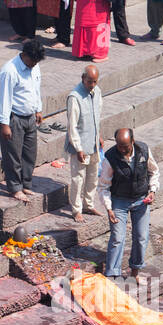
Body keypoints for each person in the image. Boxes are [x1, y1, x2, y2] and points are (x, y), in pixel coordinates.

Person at [100, 128, 159, 280]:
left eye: (125, 146)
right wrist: (108, 208)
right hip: (119, 201)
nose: (122, 150)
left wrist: (152, 191)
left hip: (141, 199)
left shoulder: (144, 150)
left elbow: (154, 172)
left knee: (141, 237)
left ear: (132, 142)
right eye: (119, 146)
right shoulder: (110, 157)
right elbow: (104, 186)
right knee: (117, 238)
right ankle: (112, 275)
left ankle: (135, 271)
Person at [0, 38, 45, 202]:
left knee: (30, 154)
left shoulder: (35, 66)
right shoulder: (9, 71)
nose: (34, 64)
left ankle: (26, 183)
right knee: (13, 156)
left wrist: (38, 108)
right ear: (24, 55)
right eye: (32, 61)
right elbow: (5, 99)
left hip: (29, 116)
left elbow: (36, 89)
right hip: (13, 118)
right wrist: (5, 124)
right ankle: (14, 187)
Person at [65, 65, 103, 222]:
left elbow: (97, 117)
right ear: (83, 79)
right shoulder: (74, 97)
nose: (92, 85)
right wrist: (78, 148)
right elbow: (72, 126)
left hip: (93, 143)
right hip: (80, 145)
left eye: (94, 82)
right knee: (78, 178)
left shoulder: (97, 92)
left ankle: (89, 204)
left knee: (93, 177)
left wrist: (98, 136)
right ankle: (76, 209)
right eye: (89, 82)